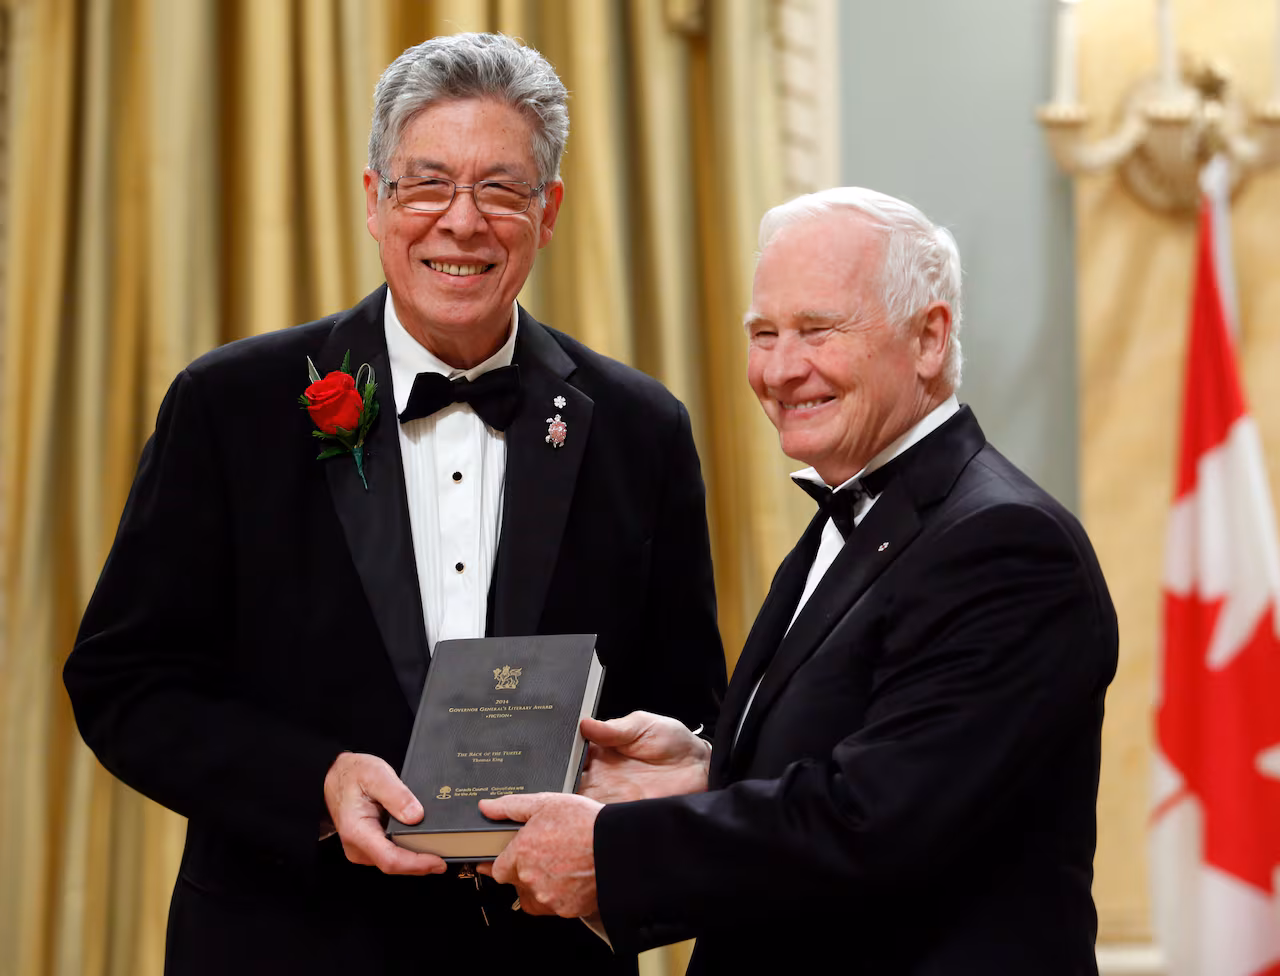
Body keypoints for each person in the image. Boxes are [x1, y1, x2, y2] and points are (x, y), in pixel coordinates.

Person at [63, 32, 725, 975]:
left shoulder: (639, 427)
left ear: (548, 214)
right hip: (284, 942)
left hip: (541, 954)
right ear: (375, 203)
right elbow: (125, 684)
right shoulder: (231, 406)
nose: (462, 222)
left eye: (501, 188)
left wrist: (627, 797)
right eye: (427, 185)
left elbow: (682, 700)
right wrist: (315, 783)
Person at [478, 187, 1119, 974]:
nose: (781, 370)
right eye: (764, 333)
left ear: (929, 338)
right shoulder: (861, 511)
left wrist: (610, 852)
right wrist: (711, 765)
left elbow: (874, 822)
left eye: (817, 330)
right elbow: (879, 750)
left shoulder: (1007, 545)